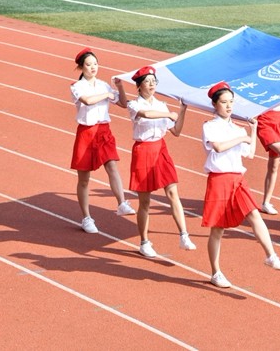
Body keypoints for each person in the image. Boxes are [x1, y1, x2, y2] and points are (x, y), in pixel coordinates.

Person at [201, 81, 280, 288]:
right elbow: (218, 147)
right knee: (217, 229)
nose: (229, 106)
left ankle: (271, 255)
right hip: (219, 180)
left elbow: (250, 154)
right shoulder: (209, 126)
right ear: (215, 104)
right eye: (224, 102)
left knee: (254, 215)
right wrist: (242, 138)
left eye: (231, 102)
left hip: (237, 179)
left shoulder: (238, 128)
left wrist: (253, 131)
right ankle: (216, 272)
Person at [114, 65, 197, 258]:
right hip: (143, 151)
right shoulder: (135, 105)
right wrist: (168, 114)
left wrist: (182, 110)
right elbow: (146, 114)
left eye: (154, 81)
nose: (152, 85)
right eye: (148, 82)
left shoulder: (162, 105)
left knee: (173, 192)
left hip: (161, 149)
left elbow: (176, 131)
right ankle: (144, 242)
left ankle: (184, 235)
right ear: (139, 85)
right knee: (145, 201)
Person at [70, 48, 136, 234]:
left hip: (104, 131)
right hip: (86, 133)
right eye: (89, 64)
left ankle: (121, 203)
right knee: (84, 179)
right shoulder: (77, 86)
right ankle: (86, 218)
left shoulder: (104, 85)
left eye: (95, 64)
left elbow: (122, 103)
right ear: (81, 67)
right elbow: (87, 101)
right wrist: (107, 95)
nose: (93, 67)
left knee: (112, 166)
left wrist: (120, 87)